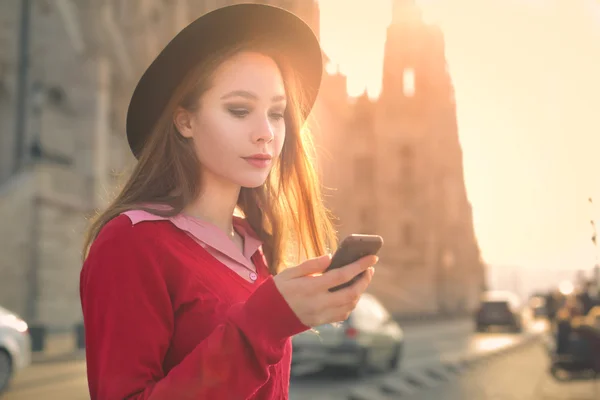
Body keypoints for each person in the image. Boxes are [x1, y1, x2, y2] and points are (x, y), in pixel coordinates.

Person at [79, 4, 378, 400]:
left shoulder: (252, 249)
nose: (265, 133)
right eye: (239, 110)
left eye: (277, 113)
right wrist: (267, 323)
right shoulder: (132, 242)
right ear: (184, 121)